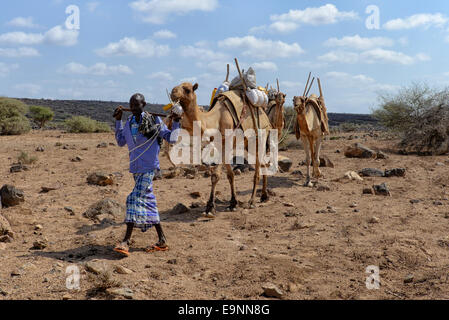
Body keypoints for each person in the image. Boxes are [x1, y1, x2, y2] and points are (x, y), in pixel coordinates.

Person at [112, 93, 181, 257]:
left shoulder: (155, 120)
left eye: (137, 105)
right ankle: (162, 240)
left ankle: (126, 241)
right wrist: (118, 120)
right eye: (131, 104)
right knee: (149, 202)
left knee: (132, 199)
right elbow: (121, 141)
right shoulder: (129, 122)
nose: (134, 108)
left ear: (144, 105)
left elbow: (171, 139)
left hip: (149, 169)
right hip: (136, 169)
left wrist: (177, 122)